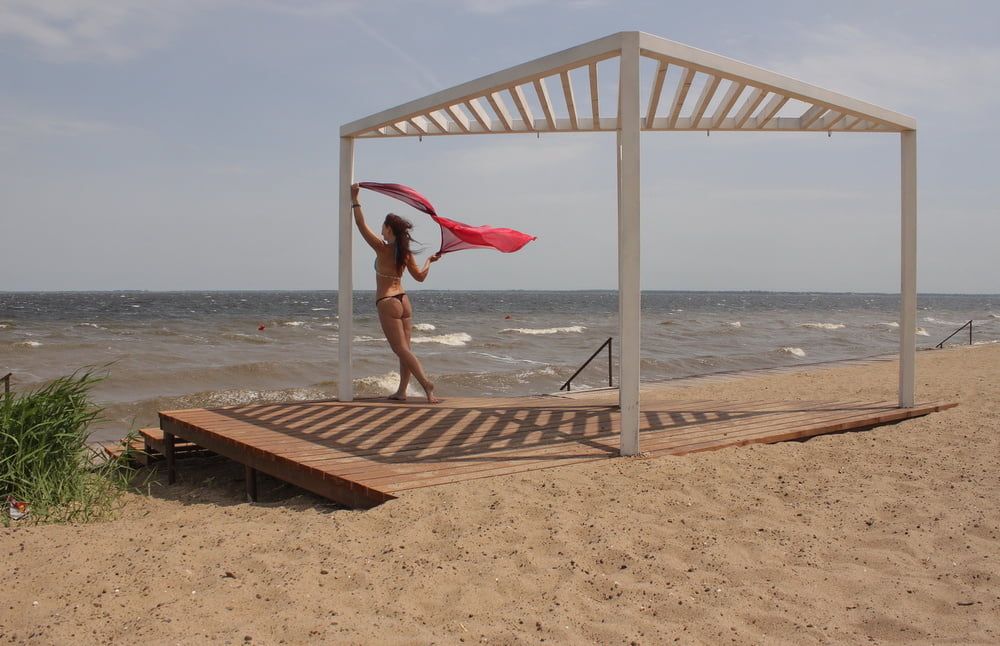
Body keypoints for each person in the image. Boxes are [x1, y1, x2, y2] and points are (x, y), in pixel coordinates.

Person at [351, 183, 441, 403]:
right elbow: (420, 277)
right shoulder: (405, 252)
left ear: (389, 229)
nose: (380, 228)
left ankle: (426, 384)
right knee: (405, 350)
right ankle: (402, 392)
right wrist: (429, 261)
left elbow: (361, 225)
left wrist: (355, 200)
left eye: (383, 225)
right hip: (403, 300)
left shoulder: (382, 248)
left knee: (400, 349)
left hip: (388, 301)